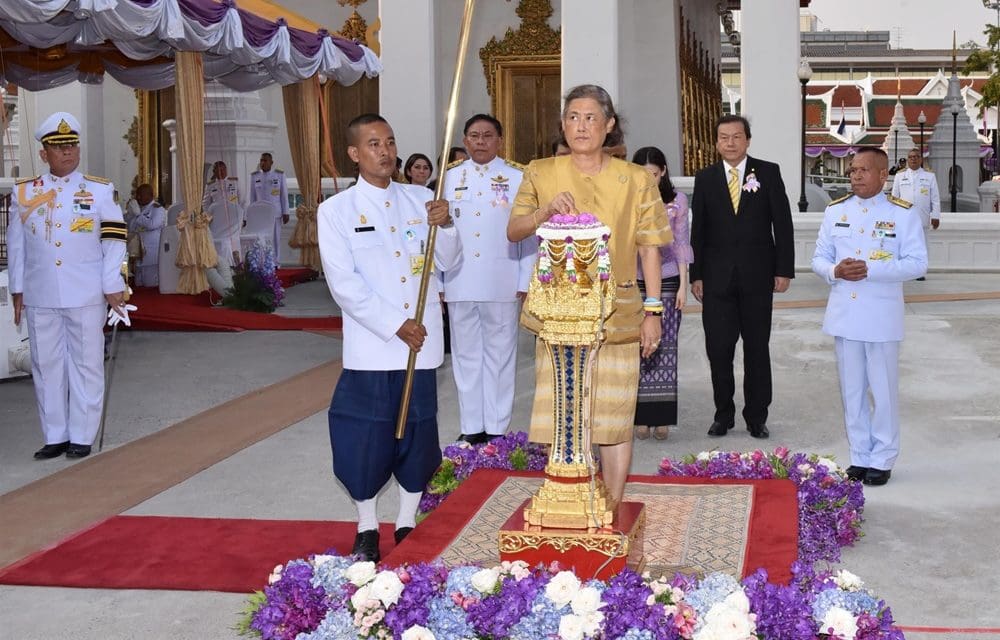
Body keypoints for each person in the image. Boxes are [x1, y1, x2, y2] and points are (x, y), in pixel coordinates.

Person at [507, 84, 673, 506]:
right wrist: (545, 211)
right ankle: (569, 500)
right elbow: (514, 231)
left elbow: (649, 247)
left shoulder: (635, 178)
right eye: (573, 117)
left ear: (609, 124)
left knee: (614, 418)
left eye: (591, 117)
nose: (581, 126)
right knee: (561, 414)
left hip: (618, 315)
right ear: (562, 124)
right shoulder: (539, 172)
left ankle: (612, 507)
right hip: (557, 317)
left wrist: (653, 311)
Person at [317, 113, 461, 562]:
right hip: (373, 345)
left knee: (417, 434)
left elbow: (447, 264)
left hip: (420, 346)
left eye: (390, 141)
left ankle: (406, 519)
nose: (385, 151)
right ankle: (365, 525)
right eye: (374, 144)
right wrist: (396, 324)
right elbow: (344, 285)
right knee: (365, 436)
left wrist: (448, 225)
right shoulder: (335, 211)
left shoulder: (422, 198)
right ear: (355, 153)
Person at [6, 111, 129, 460]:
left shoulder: (99, 190)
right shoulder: (25, 193)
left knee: (86, 362)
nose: (68, 152)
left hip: (86, 292)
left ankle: (82, 435)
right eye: (59, 147)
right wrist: (18, 288)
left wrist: (111, 283)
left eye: (72, 144)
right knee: (46, 364)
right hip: (41, 292)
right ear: (44, 153)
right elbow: (16, 244)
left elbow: (114, 241)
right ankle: (55, 435)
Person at [812, 147, 927, 486]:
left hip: (880, 316)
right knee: (852, 390)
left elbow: (918, 263)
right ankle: (860, 455)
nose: (856, 176)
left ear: (882, 174)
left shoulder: (902, 214)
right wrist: (835, 270)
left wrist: (871, 269)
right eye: (852, 171)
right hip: (845, 315)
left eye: (863, 170)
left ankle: (883, 457)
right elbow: (819, 257)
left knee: (883, 390)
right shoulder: (836, 211)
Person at [690, 115, 795, 440]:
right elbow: (699, 230)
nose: (730, 143)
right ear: (717, 142)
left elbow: (783, 222)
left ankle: (756, 416)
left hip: (758, 277)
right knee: (718, 349)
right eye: (724, 137)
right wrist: (697, 275)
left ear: (747, 140)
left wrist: (783, 269)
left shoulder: (768, 172)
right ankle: (723, 414)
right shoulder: (705, 178)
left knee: (756, 348)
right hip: (717, 280)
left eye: (737, 137)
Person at [441, 114, 535, 445]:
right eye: (474, 135)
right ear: (465, 141)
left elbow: (527, 235)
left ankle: (496, 427)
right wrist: (439, 282)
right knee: (466, 356)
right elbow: (435, 234)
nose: (480, 141)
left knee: (500, 354)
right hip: (459, 279)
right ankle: (471, 425)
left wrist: (526, 278)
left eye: (487, 135)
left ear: (500, 140)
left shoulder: (517, 177)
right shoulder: (448, 179)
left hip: (502, 278)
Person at [631, 147, 692, 442]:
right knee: (637, 348)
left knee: (665, 346)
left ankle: (663, 417)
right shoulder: (627, 198)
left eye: (653, 174)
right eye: (642, 175)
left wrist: (683, 284)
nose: (648, 180)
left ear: (663, 172)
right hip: (634, 280)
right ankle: (641, 417)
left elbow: (681, 242)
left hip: (667, 278)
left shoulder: (676, 201)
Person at [891, 148, 940, 280]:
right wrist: (893, 217)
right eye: (911, 157)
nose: (913, 159)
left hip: (921, 217)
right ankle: (904, 271)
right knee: (903, 245)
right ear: (908, 159)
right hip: (903, 218)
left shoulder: (929, 176)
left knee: (922, 246)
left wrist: (935, 216)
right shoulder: (900, 176)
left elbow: (935, 199)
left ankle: (920, 272)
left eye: (916, 157)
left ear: (921, 159)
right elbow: (894, 198)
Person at [249, 152, 290, 263]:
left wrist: (286, 212)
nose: (263, 163)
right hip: (260, 214)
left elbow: (284, 195)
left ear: (271, 162)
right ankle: (262, 261)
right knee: (261, 238)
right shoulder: (255, 176)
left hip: (275, 213)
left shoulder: (279, 175)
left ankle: (276, 262)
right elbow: (252, 197)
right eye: (261, 160)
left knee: (275, 238)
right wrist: (251, 214)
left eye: (265, 160)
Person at [203, 160, 244, 265]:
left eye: (223, 169)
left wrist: (243, 218)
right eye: (218, 170)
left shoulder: (234, 182)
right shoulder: (211, 186)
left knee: (233, 243)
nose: (221, 172)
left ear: (226, 170)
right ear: (214, 172)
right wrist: (208, 218)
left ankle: (236, 265)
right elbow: (205, 204)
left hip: (233, 220)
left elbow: (242, 201)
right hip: (218, 221)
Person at [126, 183, 166, 287]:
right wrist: (130, 214)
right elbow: (130, 228)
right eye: (137, 195)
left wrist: (138, 215)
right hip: (138, 254)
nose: (138, 197)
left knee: (150, 286)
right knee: (138, 285)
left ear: (150, 195)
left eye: (141, 195)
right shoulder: (138, 208)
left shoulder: (157, 209)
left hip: (151, 255)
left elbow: (153, 225)